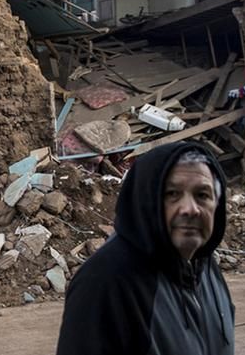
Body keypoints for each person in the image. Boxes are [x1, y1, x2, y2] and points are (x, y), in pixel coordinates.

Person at [56, 142, 234, 355]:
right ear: (147, 201)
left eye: (202, 195)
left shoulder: (204, 268)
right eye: (172, 194)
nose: (190, 209)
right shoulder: (105, 282)